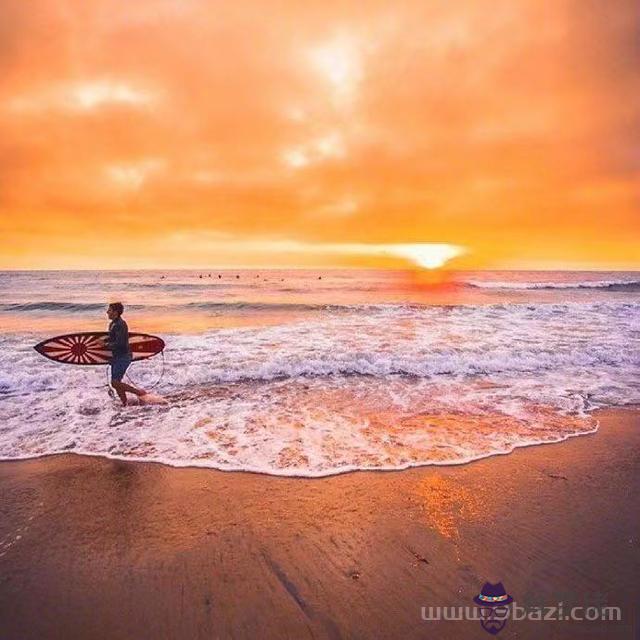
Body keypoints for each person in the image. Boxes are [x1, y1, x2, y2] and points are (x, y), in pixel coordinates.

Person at [104, 302, 147, 405]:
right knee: (117, 382)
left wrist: (105, 345)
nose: (107, 312)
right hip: (117, 357)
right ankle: (125, 403)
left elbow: (121, 344)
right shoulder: (112, 324)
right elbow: (112, 339)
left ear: (116, 312)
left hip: (123, 356)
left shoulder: (120, 324)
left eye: (109, 310)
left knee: (115, 383)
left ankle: (139, 393)